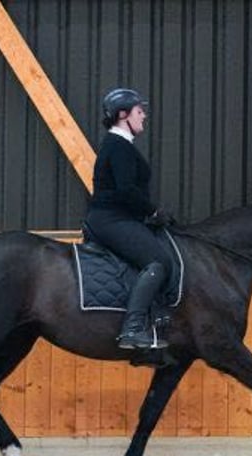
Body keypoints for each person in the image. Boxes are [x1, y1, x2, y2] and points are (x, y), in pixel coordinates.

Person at [84, 88, 174, 350]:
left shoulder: (120, 145)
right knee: (158, 261)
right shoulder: (119, 146)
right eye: (139, 111)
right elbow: (125, 190)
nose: (143, 115)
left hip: (116, 217)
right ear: (123, 115)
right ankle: (133, 328)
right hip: (110, 219)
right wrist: (152, 211)